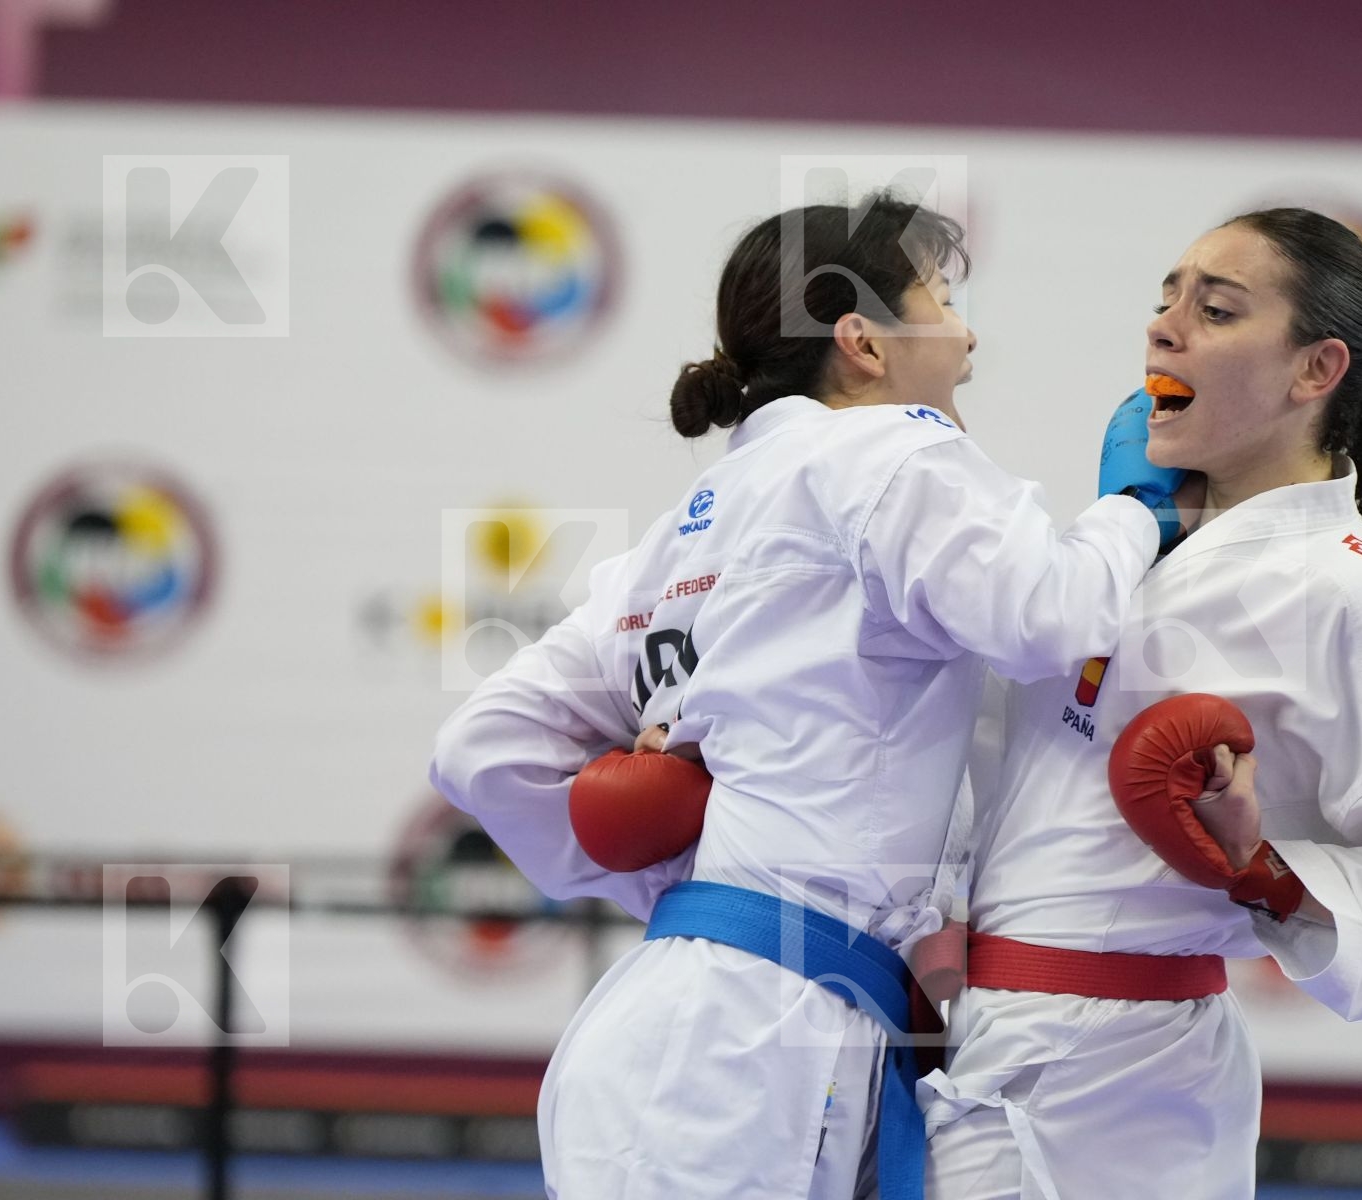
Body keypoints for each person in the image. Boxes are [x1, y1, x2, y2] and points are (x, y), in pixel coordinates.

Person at [427, 192, 1175, 1200]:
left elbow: (481, 750)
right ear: (862, 341)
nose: (966, 334)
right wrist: (1131, 513)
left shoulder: (688, 529)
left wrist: (689, 874)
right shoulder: (888, 451)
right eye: (942, 299)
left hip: (690, 1022)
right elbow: (1049, 617)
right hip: (746, 1054)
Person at [919, 207, 1362, 1199]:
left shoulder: (1345, 588)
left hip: (1120, 1085)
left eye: (1215, 309)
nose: (1165, 327)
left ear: (1315, 371)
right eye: (1166, 299)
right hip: (983, 1036)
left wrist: (1263, 869)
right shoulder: (1122, 550)